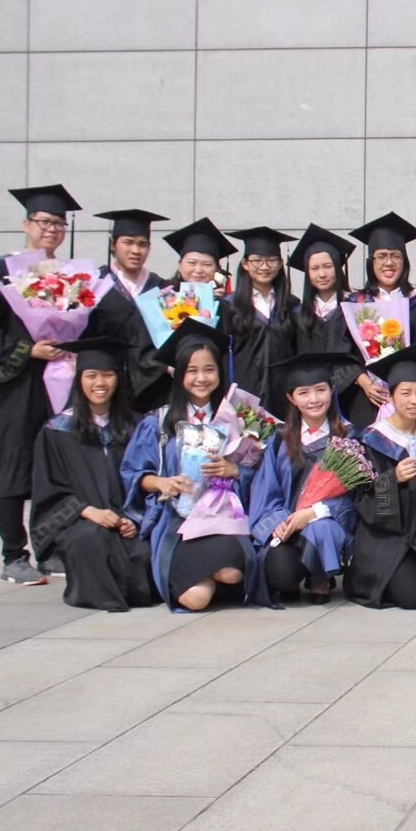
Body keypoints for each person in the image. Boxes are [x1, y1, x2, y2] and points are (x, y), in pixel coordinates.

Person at [0, 184, 82, 584]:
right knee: (16, 462)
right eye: (44, 222)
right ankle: (13, 554)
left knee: (53, 464)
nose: (51, 229)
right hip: (20, 382)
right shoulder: (2, 270)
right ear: (26, 224)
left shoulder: (70, 277)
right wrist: (27, 350)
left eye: (58, 224)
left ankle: (50, 548)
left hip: (60, 379)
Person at [122, 320, 262, 612]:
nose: (201, 378)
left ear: (219, 373)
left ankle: (217, 575)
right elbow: (134, 473)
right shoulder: (159, 422)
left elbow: (264, 474)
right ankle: (204, 579)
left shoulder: (239, 418)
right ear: (178, 374)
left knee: (231, 573)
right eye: (191, 370)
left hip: (223, 517)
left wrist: (236, 471)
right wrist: (161, 483)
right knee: (196, 600)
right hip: (178, 520)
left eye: (209, 370)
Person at [29, 336, 156, 611]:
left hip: (126, 520)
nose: (100, 383)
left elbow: (147, 478)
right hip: (80, 522)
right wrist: (88, 511)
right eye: (91, 375)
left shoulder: (137, 426)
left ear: (119, 378)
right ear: (79, 379)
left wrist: (134, 519)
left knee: (142, 551)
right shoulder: (57, 431)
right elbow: (47, 491)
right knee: (91, 540)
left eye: (108, 375)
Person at [350, 347, 416, 609]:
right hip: (384, 539)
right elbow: (360, 498)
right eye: (405, 393)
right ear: (390, 396)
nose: (414, 401)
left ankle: (411, 568)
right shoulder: (370, 440)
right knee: (414, 598)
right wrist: (392, 478)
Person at [248, 353, 358, 606]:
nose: (314, 399)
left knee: (321, 527)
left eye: (321, 390)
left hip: (327, 525)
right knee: (281, 576)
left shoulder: (349, 438)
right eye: (304, 393)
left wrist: (314, 513)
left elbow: (357, 497)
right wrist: (277, 521)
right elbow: (267, 489)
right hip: (288, 524)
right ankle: (298, 572)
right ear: (291, 398)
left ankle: (320, 578)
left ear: (332, 391)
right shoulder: (280, 439)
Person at [346, 211, 416, 430]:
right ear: (371, 262)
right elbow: (342, 355)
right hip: (368, 399)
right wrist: (364, 382)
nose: (388, 262)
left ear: (404, 261)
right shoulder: (355, 303)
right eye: (381, 256)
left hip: (411, 401)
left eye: (395, 256)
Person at [90, 208, 172, 410]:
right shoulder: (94, 285)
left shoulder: (161, 288)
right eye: (128, 242)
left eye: (142, 244)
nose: (136, 250)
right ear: (113, 245)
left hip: (154, 387)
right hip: (105, 386)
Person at [288, 225, 364, 419]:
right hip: (312, 401)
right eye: (315, 268)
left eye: (327, 266)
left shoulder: (356, 306)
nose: (322, 274)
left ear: (338, 268)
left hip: (354, 396)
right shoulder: (297, 313)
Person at [224, 227, 298, 417]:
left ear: (280, 264)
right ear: (245, 264)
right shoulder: (229, 306)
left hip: (282, 396)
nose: (264, 267)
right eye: (257, 260)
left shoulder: (292, 306)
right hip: (242, 394)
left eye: (271, 260)